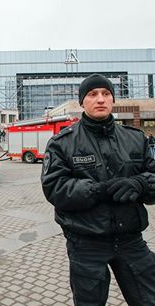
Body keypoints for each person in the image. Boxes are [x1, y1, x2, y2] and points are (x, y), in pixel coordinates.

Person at [41, 73, 155, 305]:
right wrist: (98, 190)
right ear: (82, 102)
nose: (100, 99)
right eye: (93, 94)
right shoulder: (62, 143)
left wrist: (140, 183)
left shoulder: (136, 139)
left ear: (113, 100)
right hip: (86, 244)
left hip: (131, 240)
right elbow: (54, 188)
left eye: (106, 94)